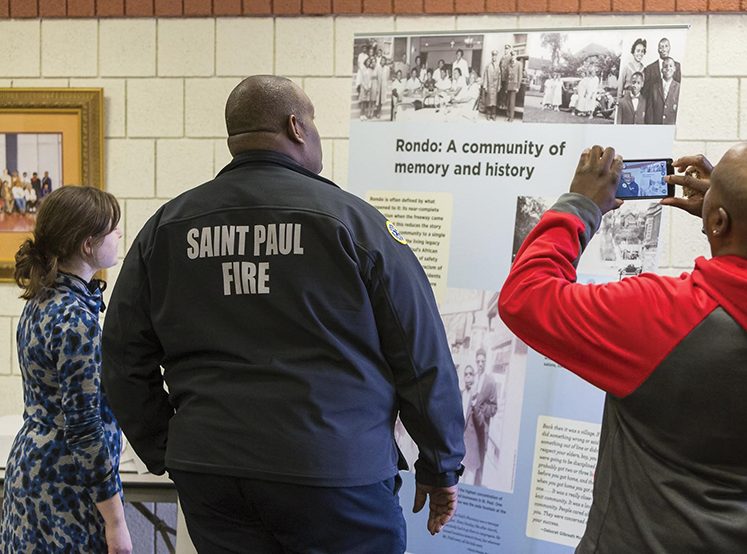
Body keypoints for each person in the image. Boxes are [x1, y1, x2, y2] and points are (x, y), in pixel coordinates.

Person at [101, 75, 465, 553]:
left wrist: (166, 446)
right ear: (297, 127)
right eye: (313, 123)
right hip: (334, 472)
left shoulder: (166, 229)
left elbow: (123, 359)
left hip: (214, 475)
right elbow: (420, 355)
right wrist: (440, 464)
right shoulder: (354, 226)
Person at [498, 143, 747, 554]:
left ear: (717, 219)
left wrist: (581, 204)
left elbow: (525, 295)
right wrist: (739, 220)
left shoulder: (661, 316)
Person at [0, 186, 130, 554]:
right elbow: (85, 428)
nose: (119, 235)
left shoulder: (43, 299)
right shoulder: (74, 319)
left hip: (32, 466)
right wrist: (116, 521)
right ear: (88, 245)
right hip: (65, 481)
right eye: (113, 229)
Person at [470, 348, 497, 487]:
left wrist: (480, 408)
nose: (480, 364)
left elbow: (494, 408)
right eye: (478, 361)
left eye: (483, 361)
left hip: (481, 429)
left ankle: (476, 489)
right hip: (469, 428)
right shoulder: (472, 377)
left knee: (479, 463)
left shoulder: (490, 381)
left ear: (486, 362)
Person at [460, 365, 480, 484]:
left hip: (471, 446)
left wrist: (474, 402)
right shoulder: (460, 394)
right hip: (458, 446)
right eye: (466, 374)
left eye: (470, 374)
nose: (468, 377)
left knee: (469, 481)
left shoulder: (478, 397)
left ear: (474, 377)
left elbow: (481, 423)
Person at [645, 56, 680, 125]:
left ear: (675, 69)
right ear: (661, 70)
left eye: (670, 66)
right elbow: (650, 112)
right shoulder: (654, 88)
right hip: (657, 127)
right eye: (665, 66)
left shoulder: (679, 88)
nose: (668, 68)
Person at [483, 51, 501, 121]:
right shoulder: (488, 65)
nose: (494, 57)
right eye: (493, 56)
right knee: (489, 100)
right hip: (489, 85)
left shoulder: (497, 66)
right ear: (492, 56)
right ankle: (488, 114)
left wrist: (499, 85)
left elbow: (499, 77)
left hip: (495, 86)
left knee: (494, 101)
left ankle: (493, 115)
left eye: (495, 56)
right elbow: (485, 76)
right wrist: (485, 85)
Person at [505, 55, 523, 121]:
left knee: (512, 102)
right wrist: (506, 87)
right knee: (508, 102)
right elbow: (507, 77)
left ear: (515, 57)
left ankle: (511, 118)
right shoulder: (509, 65)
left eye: (514, 56)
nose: (512, 58)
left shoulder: (518, 64)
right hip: (509, 85)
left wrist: (518, 86)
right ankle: (508, 115)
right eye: (511, 56)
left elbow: (520, 76)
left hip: (514, 86)